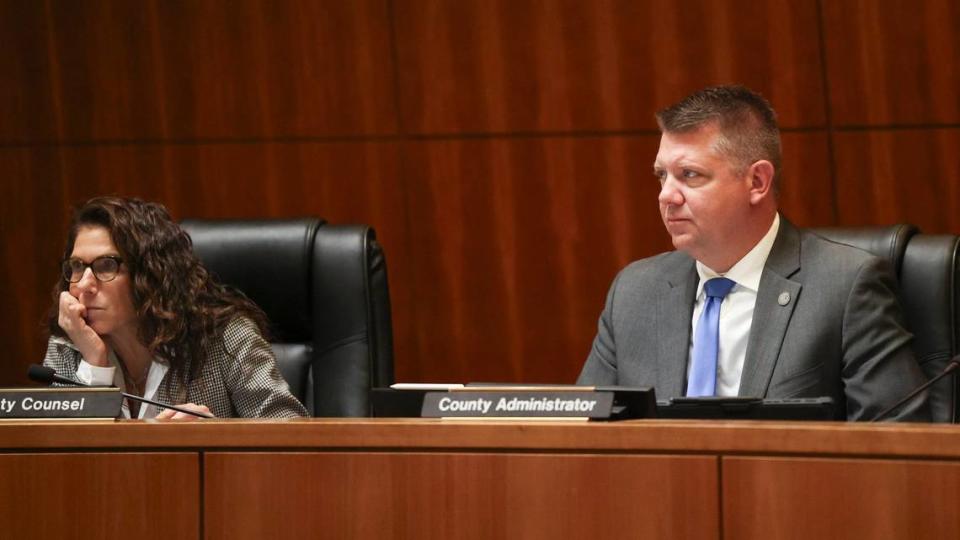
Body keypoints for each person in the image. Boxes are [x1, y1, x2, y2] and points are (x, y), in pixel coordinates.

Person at [577, 85, 929, 421]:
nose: (666, 195)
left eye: (689, 175)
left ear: (757, 182)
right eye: (662, 176)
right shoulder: (635, 292)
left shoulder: (844, 287)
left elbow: (897, 440)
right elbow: (581, 434)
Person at [44, 196, 308, 419]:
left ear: (148, 273)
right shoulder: (69, 347)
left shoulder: (223, 338)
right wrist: (94, 364)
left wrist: (213, 440)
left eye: (106, 265)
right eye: (77, 266)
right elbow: (65, 459)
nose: (84, 285)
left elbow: (290, 432)